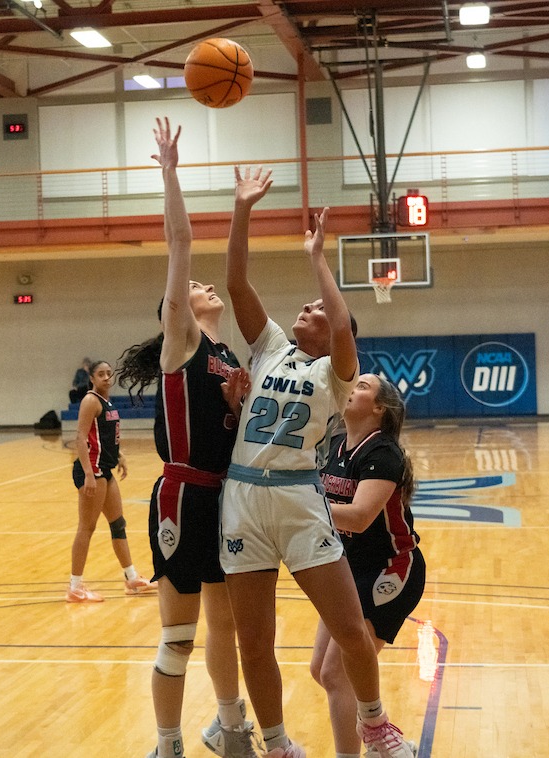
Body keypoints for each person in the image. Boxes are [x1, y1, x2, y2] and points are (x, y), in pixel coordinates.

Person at [221, 199, 417, 758]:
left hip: (297, 498)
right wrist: (242, 209)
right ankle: (278, 745)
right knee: (253, 641)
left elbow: (342, 324)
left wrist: (318, 258)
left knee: (350, 629)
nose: (308, 308)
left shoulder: (337, 374)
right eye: (306, 304)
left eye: (318, 308)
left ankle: (374, 724)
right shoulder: (270, 347)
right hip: (242, 498)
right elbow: (236, 283)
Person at [116, 118, 264, 758]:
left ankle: (230, 729)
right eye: (196, 287)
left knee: (225, 628)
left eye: (203, 285)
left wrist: (239, 406)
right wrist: (171, 173)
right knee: (179, 636)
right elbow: (180, 243)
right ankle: (167, 742)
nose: (203, 286)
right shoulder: (182, 342)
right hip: (182, 496)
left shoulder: (228, 355)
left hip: (226, 497)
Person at [312, 374, 425, 758]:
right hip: (347, 569)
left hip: (390, 569)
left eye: (362, 386)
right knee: (321, 670)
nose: (352, 388)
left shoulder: (383, 453)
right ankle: (388, 742)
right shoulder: (334, 446)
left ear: (379, 408)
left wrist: (301, 507)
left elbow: (359, 517)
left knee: (336, 674)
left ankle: (369, 744)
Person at [67, 359, 157, 603]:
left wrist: (119, 455)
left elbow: (105, 436)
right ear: (92, 379)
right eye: (101, 374)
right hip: (92, 471)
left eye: (109, 373)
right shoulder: (90, 401)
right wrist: (88, 474)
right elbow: (80, 438)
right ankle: (75, 587)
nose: (106, 377)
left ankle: (131, 578)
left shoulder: (107, 401)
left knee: (118, 524)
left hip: (105, 469)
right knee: (87, 527)